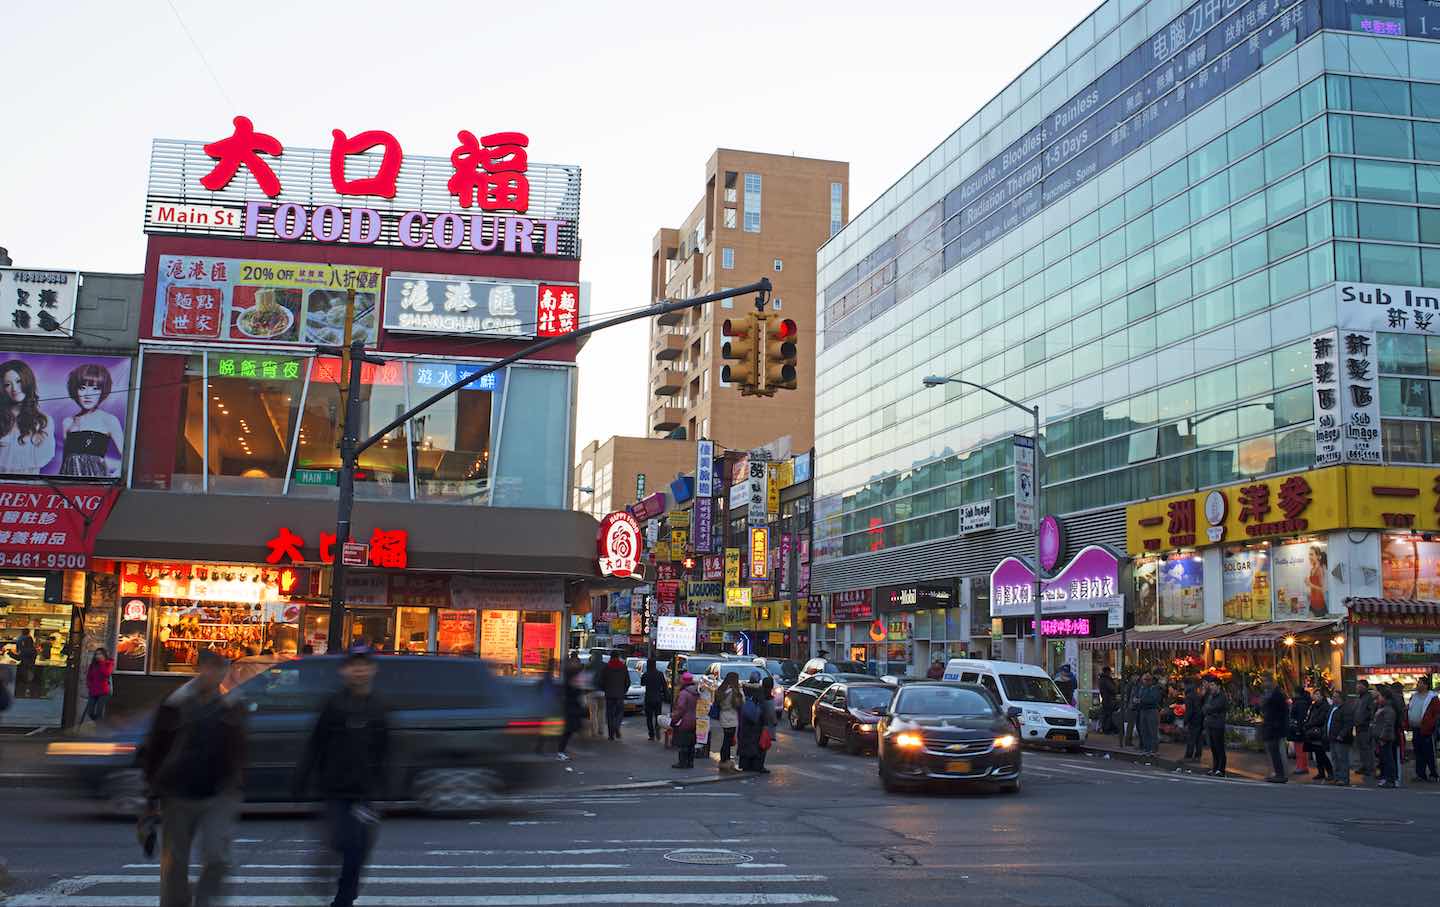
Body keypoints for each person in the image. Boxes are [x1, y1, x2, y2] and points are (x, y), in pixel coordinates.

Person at [141, 649, 245, 907]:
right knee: (175, 862)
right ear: (200, 669)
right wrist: (151, 792)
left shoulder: (232, 704)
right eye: (209, 667)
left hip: (219, 792)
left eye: (219, 668)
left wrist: (236, 781)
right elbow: (156, 746)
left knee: (218, 857)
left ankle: (205, 901)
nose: (213, 673)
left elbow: (240, 747)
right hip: (178, 790)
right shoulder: (176, 703)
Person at [294, 646, 390, 907]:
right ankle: (331, 880)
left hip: (365, 791)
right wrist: (302, 779)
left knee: (359, 846)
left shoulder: (379, 706)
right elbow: (316, 742)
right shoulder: (333, 704)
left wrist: (386, 786)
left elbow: (387, 747)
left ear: (372, 669)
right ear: (344, 670)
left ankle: (345, 896)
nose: (359, 670)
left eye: (364, 664)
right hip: (335, 788)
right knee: (342, 841)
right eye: (353, 665)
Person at [60, 363, 125, 477]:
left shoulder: (109, 420)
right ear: (75, 390)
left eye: (95, 389)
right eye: (82, 388)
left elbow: (128, 457)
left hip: (95, 484)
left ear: (103, 391)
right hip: (68, 482)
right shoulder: (68, 422)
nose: (88, 394)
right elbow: (64, 462)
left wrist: (114, 476)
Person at [0, 360, 53, 475]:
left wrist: (37, 441)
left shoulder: (44, 421)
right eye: (7, 384)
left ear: (28, 382)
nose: (14, 389)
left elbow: (44, 458)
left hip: (28, 487)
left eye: (18, 381)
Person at [1409, 676, 1440, 783]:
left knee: (1429, 752)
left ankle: (1433, 774)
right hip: (1416, 728)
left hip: (1427, 729)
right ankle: (1420, 774)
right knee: (1418, 752)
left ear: (1426, 685)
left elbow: (1436, 714)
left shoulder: (1433, 698)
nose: (1418, 685)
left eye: (1420, 683)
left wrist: (1431, 725)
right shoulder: (1414, 696)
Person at [1259, 675, 1288, 782]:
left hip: (1274, 727)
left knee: (1276, 752)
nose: (1263, 684)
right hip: (1270, 725)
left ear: (1270, 682)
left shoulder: (1277, 695)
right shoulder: (1269, 694)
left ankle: (1280, 774)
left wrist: (1276, 724)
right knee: (1272, 751)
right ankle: (1276, 772)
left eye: (1265, 681)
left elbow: (1282, 712)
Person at [712, 673, 743, 772]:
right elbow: (739, 703)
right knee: (728, 741)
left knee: (726, 739)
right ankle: (726, 761)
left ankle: (724, 761)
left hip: (723, 715)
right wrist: (740, 692)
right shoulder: (734, 691)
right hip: (731, 717)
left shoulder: (722, 690)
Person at [557, 656, 585, 760]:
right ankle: (560, 751)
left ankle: (561, 751)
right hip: (571, 707)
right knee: (568, 729)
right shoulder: (570, 676)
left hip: (572, 706)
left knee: (570, 729)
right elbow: (572, 691)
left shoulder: (570, 675)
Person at [1327, 688, 1356, 787]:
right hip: (1332, 737)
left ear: (1340, 698)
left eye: (1335, 697)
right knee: (1335, 759)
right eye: (1333, 697)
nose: (1333, 699)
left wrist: (1341, 735)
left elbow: (1348, 724)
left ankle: (1343, 778)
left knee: (1342, 759)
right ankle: (1337, 777)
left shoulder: (1346, 709)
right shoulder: (1332, 708)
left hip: (1341, 738)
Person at [1304, 688, 1333, 783]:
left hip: (1320, 732)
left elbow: (1321, 719)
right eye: (1315, 694)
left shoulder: (1325, 706)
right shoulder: (1313, 706)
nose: (1316, 696)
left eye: (1318, 694)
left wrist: (1310, 724)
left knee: (1321, 753)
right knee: (1317, 753)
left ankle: (1330, 772)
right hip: (1312, 732)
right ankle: (1321, 772)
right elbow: (1310, 717)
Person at [669, 672, 698, 769]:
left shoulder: (684, 693)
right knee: (691, 743)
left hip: (685, 721)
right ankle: (690, 762)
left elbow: (680, 709)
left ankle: (682, 762)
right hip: (695, 720)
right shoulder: (696, 692)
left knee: (683, 743)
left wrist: (673, 719)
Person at [1202, 675, 1228, 777]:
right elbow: (1204, 708)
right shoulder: (1210, 696)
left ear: (1218, 686)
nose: (1211, 687)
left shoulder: (1222, 696)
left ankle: (1221, 769)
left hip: (1218, 724)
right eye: (1211, 685)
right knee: (1213, 747)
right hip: (1210, 724)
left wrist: (1209, 709)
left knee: (1219, 747)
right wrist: (1208, 709)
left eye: (1213, 685)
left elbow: (1213, 708)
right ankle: (1215, 767)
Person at [1373, 687, 1400, 789]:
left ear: (1385, 697)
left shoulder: (1389, 709)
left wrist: (1383, 738)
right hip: (1380, 737)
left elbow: (1388, 725)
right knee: (1384, 759)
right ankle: (1386, 778)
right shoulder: (1382, 707)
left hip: (1385, 739)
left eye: (1380, 696)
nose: (1378, 698)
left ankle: (1391, 779)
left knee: (1388, 759)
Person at [599, 653, 629, 740]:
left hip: (609, 695)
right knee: (619, 712)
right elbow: (628, 682)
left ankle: (611, 735)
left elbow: (601, 681)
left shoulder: (606, 668)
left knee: (609, 715)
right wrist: (623, 691)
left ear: (611, 657)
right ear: (618, 657)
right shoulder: (623, 667)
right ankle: (616, 726)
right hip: (620, 695)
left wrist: (605, 689)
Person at [1353, 680, 1377, 784]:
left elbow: (1371, 712)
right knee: (1361, 747)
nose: (1358, 688)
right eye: (1357, 686)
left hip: (1366, 726)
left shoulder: (1369, 698)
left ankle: (1369, 768)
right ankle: (1363, 765)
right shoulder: (1359, 698)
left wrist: (1369, 722)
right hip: (1359, 726)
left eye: (1360, 686)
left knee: (1367, 748)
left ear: (1365, 687)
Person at [83, 647, 114, 725]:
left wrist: (102, 663)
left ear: (104, 655)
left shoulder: (108, 663)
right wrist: (89, 685)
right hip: (93, 690)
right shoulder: (93, 665)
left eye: (100, 654)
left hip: (103, 691)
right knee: (90, 711)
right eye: (96, 654)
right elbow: (89, 676)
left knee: (99, 711)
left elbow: (106, 673)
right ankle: (98, 723)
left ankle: (99, 727)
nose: (98, 656)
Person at [754, 676, 779, 773]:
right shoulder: (769, 697)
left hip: (758, 724)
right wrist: (775, 721)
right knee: (764, 745)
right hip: (766, 725)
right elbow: (771, 713)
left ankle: (756, 764)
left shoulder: (759, 694)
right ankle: (760, 765)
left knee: (759, 745)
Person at [640, 659, 668, 742]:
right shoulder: (660, 674)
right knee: (658, 716)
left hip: (648, 698)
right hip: (658, 698)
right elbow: (664, 686)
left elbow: (642, 683)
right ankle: (657, 730)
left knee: (649, 718)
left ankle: (651, 735)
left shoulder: (646, 674)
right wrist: (665, 695)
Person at [1135, 673, 1162, 756]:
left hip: (1151, 711)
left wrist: (1140, 700)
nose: (1146, 682)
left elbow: (1153, 699)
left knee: (1152, 730)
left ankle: (1153, 750)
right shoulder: (1142, 688)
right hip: (1143, 710)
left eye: (1148, 680)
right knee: (1144, 730)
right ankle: (1147, 749)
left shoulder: (1154, 688)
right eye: (1144, 680)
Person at [1288, 685, 1313, 775]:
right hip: (1301, 727)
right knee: (1301, 749)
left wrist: (1298, 728)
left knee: (1299, 749)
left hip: (1298, 728)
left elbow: (1300, 717)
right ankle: (1302, 766)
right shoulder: (1304, 701)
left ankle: (1301, 767)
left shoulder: (1300, 703)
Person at [1182, 677, 1206, 762]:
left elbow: (1189, 710)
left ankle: (1189, 755)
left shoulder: (1189, 696)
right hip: (1199, 718)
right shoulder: (1196, 693)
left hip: (1193, 719)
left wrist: (1185, 721)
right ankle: (1198, 755)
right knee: (1198, 738)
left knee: (1191, 738)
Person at [14, 628, 36, 698]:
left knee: (23, 681)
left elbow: (18, 656)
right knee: (29, 681)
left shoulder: (20, 639)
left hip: (24, 666)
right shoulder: (33, 649)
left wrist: (10, 653)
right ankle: (28, 694)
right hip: (30, 666)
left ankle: (22, 694)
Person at [1098, 666, 1119, 735]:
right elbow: (1113, 689)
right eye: (1110, 672)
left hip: (1105, 699)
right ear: (1107, 672)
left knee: (1107, 715)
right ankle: (1107, 729)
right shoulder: (1106, 680)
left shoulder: (1102, 679)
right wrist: (1115, 684)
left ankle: (1108, 728)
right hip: (1109, 700)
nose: (1111, 673)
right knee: (1109, 715)